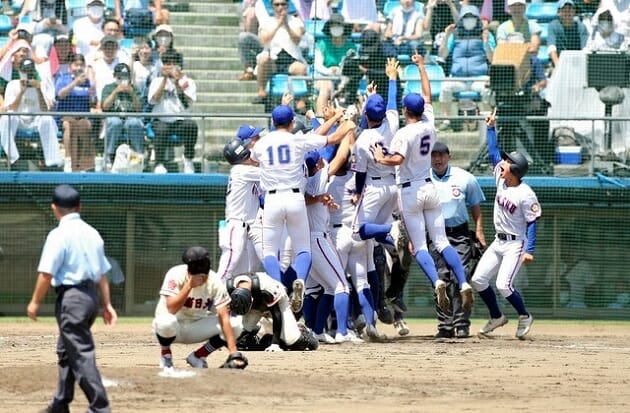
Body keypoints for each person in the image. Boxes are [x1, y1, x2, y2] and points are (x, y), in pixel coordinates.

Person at [370, 51, 474, 313]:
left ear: (405, 110)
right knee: (442, 242)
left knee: (418, 247)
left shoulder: (404, 132)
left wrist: (382, 158)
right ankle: (462, 283)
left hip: (410, 192)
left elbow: (397, 159)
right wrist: (421, 66)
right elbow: (428, 95)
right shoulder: (429, 125)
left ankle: (437, 281)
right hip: (430, 187)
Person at [250, 104, 355, 312]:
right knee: (303, 248)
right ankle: (300, 281)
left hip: (271, 200)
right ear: (291, 123)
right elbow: (332, 140)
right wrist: (345, 121)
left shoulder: (261, 145)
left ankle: (278, 289)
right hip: (296, 198)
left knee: (270, 251)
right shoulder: (297, 140)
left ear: (272, 122)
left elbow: (254, 160)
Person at [27, 184, 117, 413]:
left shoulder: (58, 234)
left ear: (54, 208)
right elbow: (102, 275)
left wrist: (35, 302)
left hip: (72, 299)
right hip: (90, 298)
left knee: (80, 352)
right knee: (66, 350)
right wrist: (107, 305)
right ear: (79, 207)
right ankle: (61, 402)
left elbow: (46, 273)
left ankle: (100, 407)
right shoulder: (92, 233)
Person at [470, 110, 541, 339]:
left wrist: (529, 251)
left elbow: (532, 223)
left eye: (508, 162)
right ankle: (497, 316)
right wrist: (491, 127)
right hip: (498, 241)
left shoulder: (525, 193)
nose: (504, 162)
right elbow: (492, 153)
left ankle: (524, 315)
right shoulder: (501, 177)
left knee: (503, 285)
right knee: (478, 280)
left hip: (515, 244)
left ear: (516, 170)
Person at [151, 246, 248, 369]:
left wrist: (233, 352)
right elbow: (171, 309)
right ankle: (166, 356)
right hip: (172, 328)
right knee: (166, 322)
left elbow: (223, 316)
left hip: (197, 326)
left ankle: (199, 356)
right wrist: (188, 286)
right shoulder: (175, 274)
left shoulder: (214, 280)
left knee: (235, 324)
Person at [429, 141, 487, 339]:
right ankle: (445, 325)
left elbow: (475, 206)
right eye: (434, 155)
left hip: (460, 234)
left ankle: (461, 324)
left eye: (441, 155)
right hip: (435, 234)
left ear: (449, 156)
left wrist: (479, 230)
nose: (437, 159)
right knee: (441, 279)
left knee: (460, 277)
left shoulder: (465, 178)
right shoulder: (423, 179)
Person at [227, 271, 319, 351]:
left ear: (251, 299)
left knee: (292, 341)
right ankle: (264, 334)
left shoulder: (266, 287)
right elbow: (223, 312)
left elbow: (276, 314)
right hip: (255, 307)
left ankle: (304, 331)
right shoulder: (229, 287)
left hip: (278, 302)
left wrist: (275, 344)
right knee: (241, 342)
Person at [217, 125, 264, 281]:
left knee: (242, 275)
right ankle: (211, 300)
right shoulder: (242, 170)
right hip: (236, 225)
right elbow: (272, 174)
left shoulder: (244, 169)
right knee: (228, 267)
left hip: (245, 227)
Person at [436, 5, 494, 131]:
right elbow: (442, 55)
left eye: (472, 17)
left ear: (477, 19)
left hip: (479, 78)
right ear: (461, 19)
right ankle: (446, 120)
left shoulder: (485, 34)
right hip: (458, 78)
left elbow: (492, 59)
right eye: (466, 17)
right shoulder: (454, 35)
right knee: (445, 86)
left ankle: (488, 120)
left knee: (487, 90)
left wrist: (485, 42)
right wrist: (446, 36)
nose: (469, 20)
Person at [0, 54, 61, 169]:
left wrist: (38, 90)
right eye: (24, 71)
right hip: (19, 122)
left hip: (35, 122)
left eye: (29, 71)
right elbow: (11, 108)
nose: (27, 75)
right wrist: (21, 92)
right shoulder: (12, 84)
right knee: (7, 118)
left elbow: (45, 110)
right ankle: (14, 158)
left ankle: (52, 161)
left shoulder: (41, 85)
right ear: (20, 71)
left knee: (47, 119)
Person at [147, 48, 198, 174]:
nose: (169, 66)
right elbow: (153, 100)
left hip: (179, 121)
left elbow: (187, 104)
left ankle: (188, 159)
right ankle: (159, 163)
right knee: (161, 129)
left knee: (191, 126)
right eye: (166, 63)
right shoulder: (156, 81)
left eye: (172, 63)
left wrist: (176, 84)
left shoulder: (188, 82)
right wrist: (164, 80)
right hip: (161, 119)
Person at [252, 0, 308, 104]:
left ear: (287, 6)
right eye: (277, 4)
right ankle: (261, 92)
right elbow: (264, 40)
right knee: (263, 59)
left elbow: (297, 40)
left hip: (291, 59)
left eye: (283, 4)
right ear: (272, 6)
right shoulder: (266, 21)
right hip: (273, 59)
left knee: (301, 68)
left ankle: (301, 101)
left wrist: (286, 24)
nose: (280, 7)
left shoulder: (296, 21)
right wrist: (278, 24)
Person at [55, 53, 96, 172]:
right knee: (69, 125)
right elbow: (59, 96)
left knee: (85, 125)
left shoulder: (88, 82)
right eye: (76, 65)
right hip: (65, 115)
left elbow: (93, 101)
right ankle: (69, 161)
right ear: (70, 66)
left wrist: (92, 92)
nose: (78, 68)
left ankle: (84, 164)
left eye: (81, 65)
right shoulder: (63, 79)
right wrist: (74, 83)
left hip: (83, 115)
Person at [101, 62, 144, 166]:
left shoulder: (135, 89)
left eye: (125, 76)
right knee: (115, 122)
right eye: (120, 76)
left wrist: (132, 94)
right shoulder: (108, 88)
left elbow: (139, 109)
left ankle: (139, 155)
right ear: (115, 76)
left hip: (131, 116)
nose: (123, 79)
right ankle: (108, 155)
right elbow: (105, 107)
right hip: (114, 116)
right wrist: (115, 92)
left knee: (134, 123)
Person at [313, 13, 356, 115]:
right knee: (325, 88)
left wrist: (340, 72)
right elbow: (317, 65)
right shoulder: (322, 44)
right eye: (333, 25)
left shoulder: (351, 46)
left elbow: (353, 66)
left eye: (338, 25)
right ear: (329, 27)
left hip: (344, 78)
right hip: (323, 77)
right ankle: (320, 122)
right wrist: (329, 71)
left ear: (343, 27)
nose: (336, 27)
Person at [548, 0, 588, 68]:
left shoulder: (581, 27)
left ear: (574, 11)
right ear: (558, 12)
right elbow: (551, 48)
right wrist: (557, 64)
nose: (567, 12)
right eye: (564, 10)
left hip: (577, 62)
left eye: (570, 9)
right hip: (559, 61)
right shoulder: (553, 25)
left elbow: (585, 49)